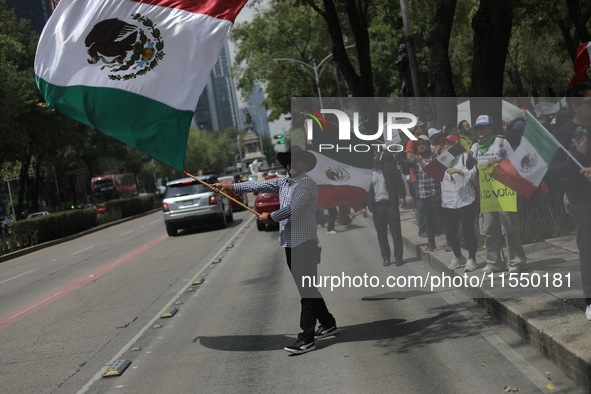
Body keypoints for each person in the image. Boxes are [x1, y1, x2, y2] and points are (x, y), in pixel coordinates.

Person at [212, 146, 337, 353]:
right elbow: (258, 184)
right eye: (289, 162)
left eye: (296, 162)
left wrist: (270, 217)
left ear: (305, 164)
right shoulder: (283, 182)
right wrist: (227, 187)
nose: (292, 165)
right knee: (308, 289)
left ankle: (306, 338)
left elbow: (292, 209)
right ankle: (328, 322)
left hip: (304, 244)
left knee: (306, 291)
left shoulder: (307, 184)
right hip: (290, 243)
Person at [548, 81, 591, 319]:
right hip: (582, 200)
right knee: (588, 250)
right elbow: (553, 172)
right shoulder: (563, 134)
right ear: (575, 106)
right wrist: (577, 155)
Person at [469, 115, 527, 274]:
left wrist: (497, 162)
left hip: (504, 192)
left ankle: (516, 263)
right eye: (477, 128)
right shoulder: (474, 148)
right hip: (487, 194)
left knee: (510, 228)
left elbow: (514, 164)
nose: (480, 130)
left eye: (483, 127)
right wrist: (468, 161)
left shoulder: (502, 142)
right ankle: (495, 263)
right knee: (488, 229)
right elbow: (472, 172)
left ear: (491, 128)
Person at [438, 135, 479, 272]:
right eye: (444, 144)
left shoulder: (465, 157)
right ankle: (458, 256)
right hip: (449, 202)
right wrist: (420, 161)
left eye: (449, 144)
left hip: (465, 200)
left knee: (468, 231)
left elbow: (473, 173)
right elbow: (429, 171)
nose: (446, 147)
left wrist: (458, 171)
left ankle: (472, 258)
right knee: (450, 233)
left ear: (456, 145)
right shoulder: (442, 162)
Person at [362, 149, 407, 267]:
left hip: (390, 205)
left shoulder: (389, 167)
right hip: (377, 207)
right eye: (371, 155)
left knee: (396, 232)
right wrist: (363, 206)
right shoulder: (366, 173)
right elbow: (363, 190)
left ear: (379, 154)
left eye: (375, 154)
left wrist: (402, 196)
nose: (373, 156)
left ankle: (398, 258)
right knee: (381, 234)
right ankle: (386, 257)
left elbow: (399, 182)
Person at [408, 135, 443, 252]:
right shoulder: (415, 159)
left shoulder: (436, 158)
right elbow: (403, 163)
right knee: (429, 221)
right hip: (423, 195)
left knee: (442, 219)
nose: (421, 146)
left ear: (429, 145)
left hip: (435, 194)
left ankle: (448, 242)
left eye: (423, 144)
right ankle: (431, 243)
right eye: (419, 144)